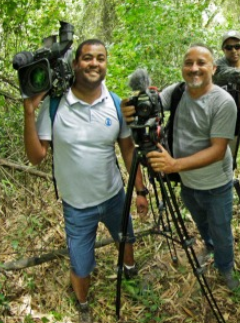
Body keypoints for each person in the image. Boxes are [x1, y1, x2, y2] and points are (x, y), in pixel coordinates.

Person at [23, 39, 149, 323]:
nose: (94, 63)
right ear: (76, 63)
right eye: (88, 57)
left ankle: (129, 269)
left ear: (106, 64)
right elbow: (36, 156)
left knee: (125, 237)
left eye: (100, 58)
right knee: (81, 264)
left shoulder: (116, 103)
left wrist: (141, 190)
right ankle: (83, 305)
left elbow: (128, 150)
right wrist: (29, 112)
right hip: (77, 205)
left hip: (115, 195)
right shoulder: (55, 105)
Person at [123, 43, 240, 290]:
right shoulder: (176, 92)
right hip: (186, 182)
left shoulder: (223, 102)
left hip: (216, 183)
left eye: (201, 63)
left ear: (213, 68)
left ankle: (225, 267)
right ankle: (208, 246)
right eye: (189, 63)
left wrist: (173, 164)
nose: (194, 68)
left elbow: (219, 150)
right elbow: (152, 104)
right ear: (182, 68)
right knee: (202, 223)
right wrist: (132, 107)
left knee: (221, 230)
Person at [214, 30, 240, 162]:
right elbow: (236, 75)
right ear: (223, 49)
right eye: (229, 47)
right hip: (224, 117)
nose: (234, 51)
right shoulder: (218, 66)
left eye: (237, 46)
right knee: (225, 154)